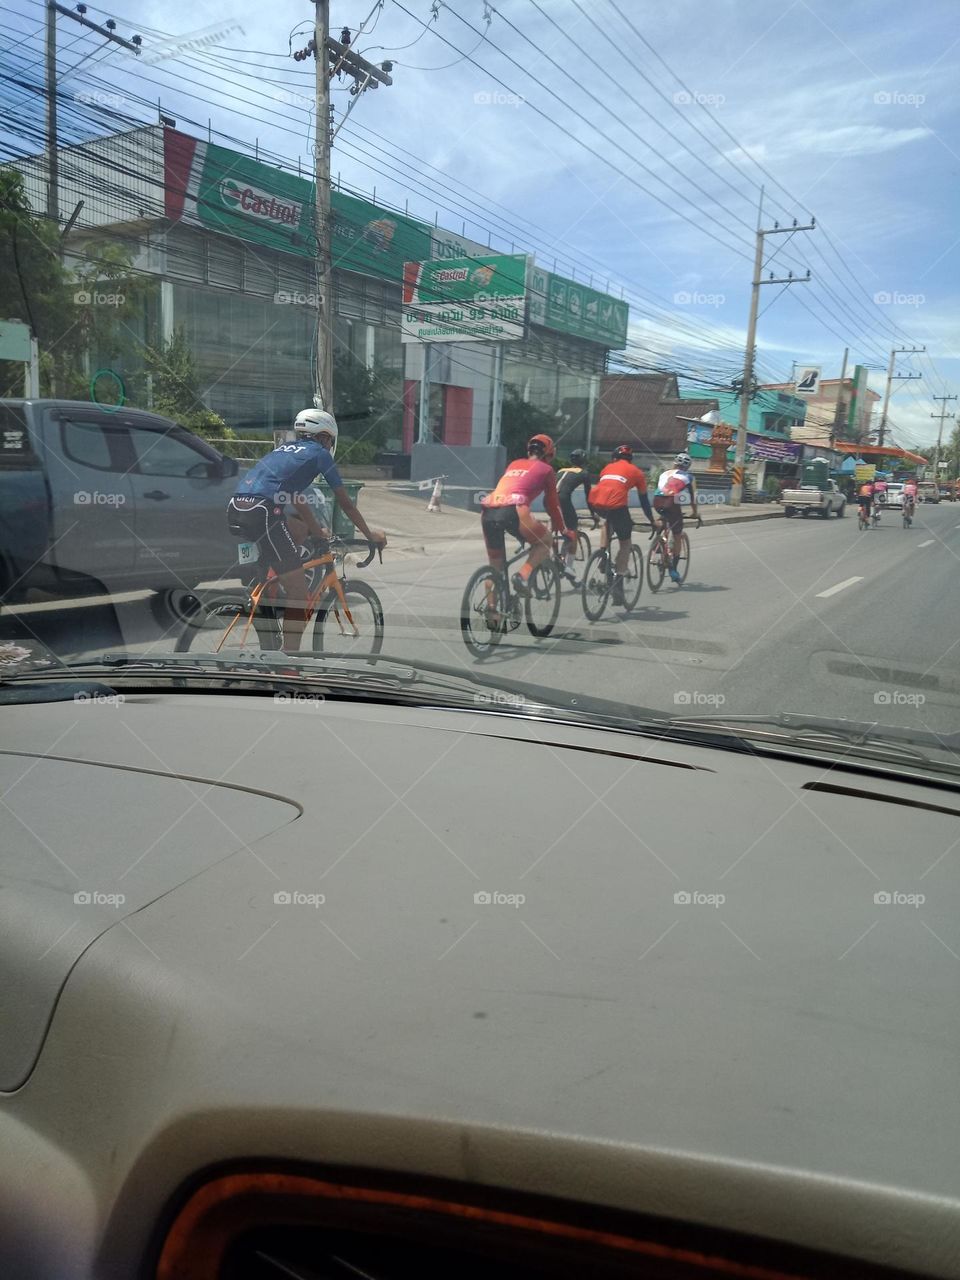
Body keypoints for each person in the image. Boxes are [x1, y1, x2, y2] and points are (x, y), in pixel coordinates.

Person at [227, 408, 386, 653]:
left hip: (237, 508)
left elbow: (295, 498)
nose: (329, 445)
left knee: (299, 529)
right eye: (330, 440)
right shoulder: (319, 455)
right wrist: (370, 535)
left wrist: (316, 531)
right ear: (324, 436)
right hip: (264, 511)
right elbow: (345, 503)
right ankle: (289, 664)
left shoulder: (283, 450)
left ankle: (269, 598)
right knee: (299, 592)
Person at [480, 433, 573, 597]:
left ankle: (492, 614)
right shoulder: (547, 470)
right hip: (515, 510)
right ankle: (522, 576)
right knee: (545, 541)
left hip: (488, 510)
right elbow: (552, 503)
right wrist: (563, 529)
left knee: (495, 566)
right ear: (549, 454)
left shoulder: (514, 464)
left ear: (529, 450)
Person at [588, 444, 655, 604]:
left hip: (596, 503)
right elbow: (644, 500)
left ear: (614, 458)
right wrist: (652, 520)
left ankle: (603, 555)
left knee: (607, 522)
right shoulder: (637, 472)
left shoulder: (607, 468)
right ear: (630, 460)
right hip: (618, 506)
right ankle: (618, 584)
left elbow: (605, 488)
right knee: (625, 543)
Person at [653, 452, 701, 582]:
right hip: (671, 502)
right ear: (687, 467)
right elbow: (693, 498)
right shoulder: (689, 477)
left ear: (674, 463)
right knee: (677, 535)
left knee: (664, 515)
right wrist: (695, 513)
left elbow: (660, 489)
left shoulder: (664, 473)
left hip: (657, 501)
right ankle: (673, 569)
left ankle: (659, 539)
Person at [555, 448, 597, 583]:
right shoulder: (584, 474)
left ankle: (556, 556)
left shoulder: (561, 470)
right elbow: (588, 497)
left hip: (550, 501)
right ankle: (569, 567)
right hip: (564, 500)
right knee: (573, 530)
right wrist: (593, 514)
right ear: (584, 461)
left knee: (557, 527)